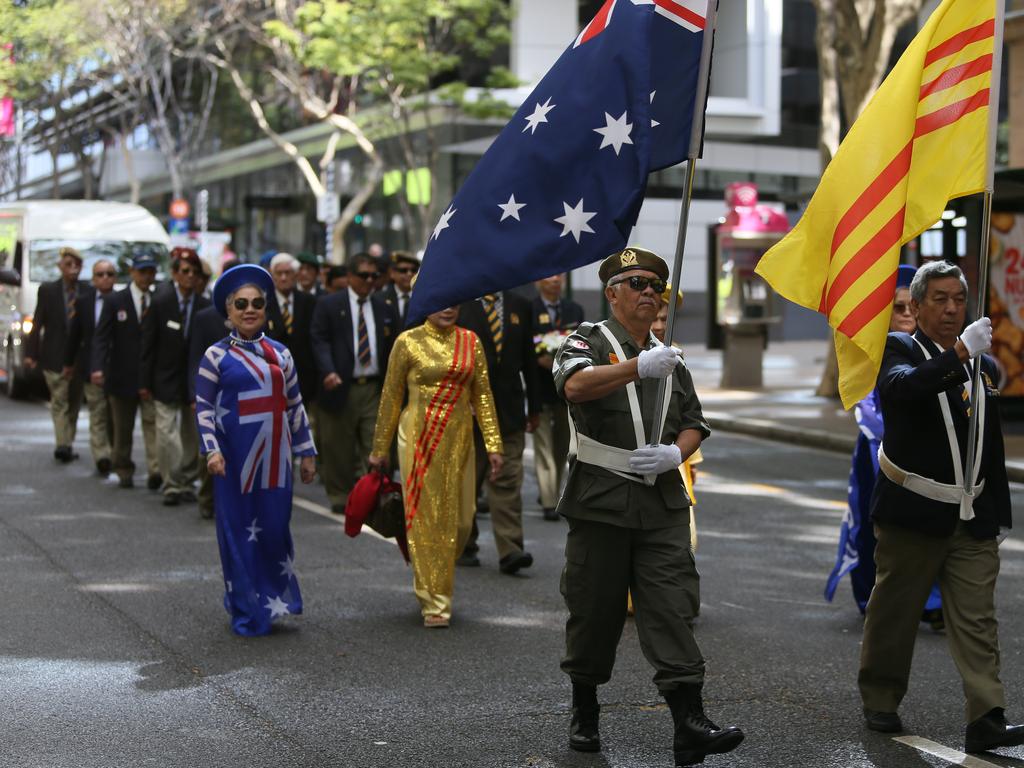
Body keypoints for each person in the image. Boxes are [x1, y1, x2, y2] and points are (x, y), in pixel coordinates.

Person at [553, 247, 743, 766]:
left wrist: (673, 454)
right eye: (635, 283)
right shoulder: (585, 340)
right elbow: (573, 385)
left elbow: (694, 421)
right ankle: (584, 708)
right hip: (602, 497)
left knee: (671, 606)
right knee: (595, 609)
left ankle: (689, 722)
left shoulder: (668, 354)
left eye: (654, 285)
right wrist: (638, 366)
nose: (648, 293)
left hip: (660, 499)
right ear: (611, 292)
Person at [858, 261, 1023, 754]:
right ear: (917, 305)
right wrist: (958, 353)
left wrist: (997, 514)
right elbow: (903, 390)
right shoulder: (898, 349)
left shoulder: (983, 365)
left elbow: (988, 446)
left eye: (958, 299)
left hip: (970, 516)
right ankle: (881, 697)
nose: (952, 308)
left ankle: (987, 717)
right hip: (914, 510)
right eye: (940, 299)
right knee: (896, 612)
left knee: (977, 620)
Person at [195, 264, 316, 636]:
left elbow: (295, 405)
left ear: (266, 308)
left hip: (276, 463)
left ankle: (273, 598)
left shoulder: (281, 354)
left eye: (257, 303)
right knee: (237, 532)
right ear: (228, 312)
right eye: (241, 304)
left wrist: (306, 452)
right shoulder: (215, 357)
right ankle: (247, 607)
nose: (250, 310)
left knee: (275, 530)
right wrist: (211, 451)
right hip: (233, 463)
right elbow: (202, 407)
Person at [368, 305, 503, 627]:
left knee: (459, 522)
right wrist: (379, 449)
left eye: (455, 301)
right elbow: (390, 396)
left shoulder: (471, 341)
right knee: (427, 520)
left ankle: (436, 571)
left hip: (459, 439)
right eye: (441, 301)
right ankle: (434, 601)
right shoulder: (407, 341)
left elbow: (482, 395)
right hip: (418, 437)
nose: (449, 308)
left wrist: (494, 444)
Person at [826, 265, 942, 625]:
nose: (907, 314)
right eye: (898, 307)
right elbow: (868, 409)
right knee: (873, 524)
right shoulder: (869, 352)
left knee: (933, 523)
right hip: (880, 453)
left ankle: (933, 601)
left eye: (912, 306)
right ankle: (874, 595)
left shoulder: (937, 352)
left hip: (931, 456)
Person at [455, 290, 541, 574]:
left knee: (508, 479)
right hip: (469, 411)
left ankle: (510, 549)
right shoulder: (461, 304)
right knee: (469, 479)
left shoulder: (521, 305)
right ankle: (464, 543)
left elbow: (529, 357)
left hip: (509, 410)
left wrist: (535, 406)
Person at [310, 252, 400, 514]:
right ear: (349, 276)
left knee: (377, 442)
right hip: (340, 385)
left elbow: (394, 346)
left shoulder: (384, 309)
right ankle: (340, 494)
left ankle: (373, 492)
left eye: (373, 276)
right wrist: (328, 371)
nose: (369, 281)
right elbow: (319, 340)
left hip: (373, 387)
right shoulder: (329, 305)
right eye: (363, 275)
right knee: (337, 443)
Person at [141, 248, 210, 506]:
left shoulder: (205, 306)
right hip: (164, 378)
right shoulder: (161, 302)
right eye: (185, 271)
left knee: (191, 433)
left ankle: (185, 481)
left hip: (194, 380)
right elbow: (147, 344)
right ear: (174, 274)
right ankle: (171, 482)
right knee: (166, 432)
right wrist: (144, 382)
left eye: (194, 272)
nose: (190, 276)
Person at [91, 254, 161, 490]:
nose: (146, 277)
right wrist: (98, 367)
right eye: (142, 272)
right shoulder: (115, 301)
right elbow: (101, 337)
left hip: (151, 376)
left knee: (153, 425)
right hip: (121, 375)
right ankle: (123, 468)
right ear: (132, 273)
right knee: (122, 428)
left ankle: (156, 470)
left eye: (150, 272)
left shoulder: (159, 300)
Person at [187, 260, 241, 520]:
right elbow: (195, 357)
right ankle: (207, 499)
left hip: (244, 394)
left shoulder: (255, 317)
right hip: (213, 393)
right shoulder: (205, 317)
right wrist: (194, 395)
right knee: (210, 447)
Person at [24, 246, 85, 463]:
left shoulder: (85, 291)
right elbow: (38, 322)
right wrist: (31, 353)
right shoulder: (48, 290)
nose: (72, 269)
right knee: (60, 401)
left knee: (74, 403)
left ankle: (68, 439)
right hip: (54, 356)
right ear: (60, 267)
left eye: (76, 265)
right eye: (68, 264)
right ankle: (63, 444)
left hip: (79, 358)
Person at [531, 273, 584, 520]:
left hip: (565, 388)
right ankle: (549, 499)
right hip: (539, 387)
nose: (554, 280)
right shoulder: (530, 309)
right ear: (538, 282)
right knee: (542, 445)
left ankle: (552, 489)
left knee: (563, 443)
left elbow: (582, 345)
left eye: (558, 276)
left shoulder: (574, 309)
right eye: (548, 276)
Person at [63, 258, 117, 475]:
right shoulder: (84, 301)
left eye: (109, 274)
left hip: (117, 369)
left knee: (115, 416)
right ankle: (101, 455)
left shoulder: (123, 300)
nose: (105, 278)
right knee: (97, 412)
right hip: (90, 367)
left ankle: (115, 452)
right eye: (100, 274)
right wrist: (68, 363)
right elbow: (74, 335)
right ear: (93, 279)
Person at [267, 253, 318, 408]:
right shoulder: (264, 303)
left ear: (296, 275)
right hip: (272, 379)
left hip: (304, 380)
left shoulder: (310, 302)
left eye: (287, 273)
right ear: (272, 276)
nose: (283, 278)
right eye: (279, 273)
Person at [381, 251, 419, 326]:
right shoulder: (381, 299)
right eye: (403, 270)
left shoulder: (423, 298)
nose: (409, 274)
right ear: (392, 273)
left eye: (413, 270)